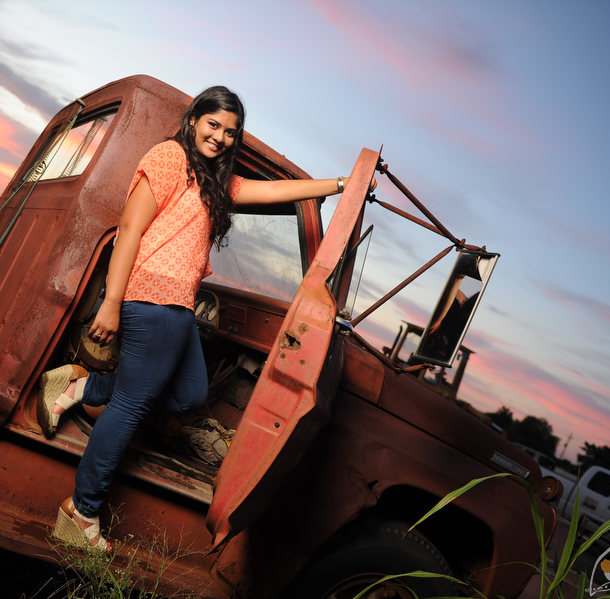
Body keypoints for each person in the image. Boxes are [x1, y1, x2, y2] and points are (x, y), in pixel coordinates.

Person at [40, 85, 373, 551]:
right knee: (132, 406)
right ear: (195, 119)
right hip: (150, 298)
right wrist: (112, 303)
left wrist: (343, 185)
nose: (219, 137)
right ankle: (82, 511)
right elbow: (131, 230)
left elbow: (276, 191)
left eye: (230, 132)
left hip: (180, 306)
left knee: (189, 393)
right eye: (213, 124)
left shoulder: (214, 181)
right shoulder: (168, 156)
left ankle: (82, 387)